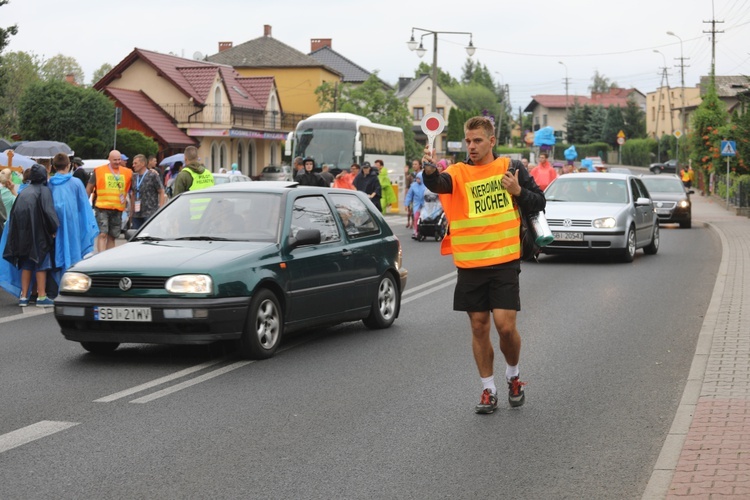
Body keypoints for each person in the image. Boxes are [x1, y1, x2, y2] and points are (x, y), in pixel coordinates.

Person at [422, 116, 546, 414]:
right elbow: (438, 183)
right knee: (479, 327)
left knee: (505, 328)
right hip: (470, 265)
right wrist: (428, 169)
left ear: (492, 141)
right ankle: (488, 389)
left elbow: (539, 202)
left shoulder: (511, 169)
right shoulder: (458, 172)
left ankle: (513, 376)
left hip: (504, 262)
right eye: (468, 141)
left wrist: (518, 191)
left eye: (478, 140)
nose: (472, 146)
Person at [0, 163, 59, 307]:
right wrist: (53, 229)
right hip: (39, 234)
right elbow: (49, 213)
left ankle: (24, 296)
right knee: (41, 264)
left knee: (26, 264)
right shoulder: (44, 191)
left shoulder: (24, 192)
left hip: (22, 235)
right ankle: (42, 296)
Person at [48, 153, 98, 283]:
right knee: (74, 250)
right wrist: (87, 226)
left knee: (58, 251)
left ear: (53, 166)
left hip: (55, 224)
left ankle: (58, 284)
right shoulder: (76, 183)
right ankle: (74, 282)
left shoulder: (50, 184)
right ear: (69, 165)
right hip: (73, 224)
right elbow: (84, 206)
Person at [87, 150, 132, 253]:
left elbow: (136, 180)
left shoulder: (127, 172)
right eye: (115, 160)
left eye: (119, 159)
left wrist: (152, 171)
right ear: (109, 159)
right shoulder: (99, 171)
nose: (117, 162)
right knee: (102, 234)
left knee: (112, 236)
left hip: (117, 209)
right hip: (102, 208)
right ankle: (100, 256)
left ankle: (108, 257)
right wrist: (85, 203)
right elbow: (89, 187)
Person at [129, 154, 166, 230]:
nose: (133, 165)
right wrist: (131, 211)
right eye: (133, 163)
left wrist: (161, 208)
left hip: (150, 212)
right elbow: (133, 193)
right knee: (135, 235)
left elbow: (161, 191)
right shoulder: (134, 177)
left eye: (135, 163)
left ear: (142, 164)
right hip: (137, 213)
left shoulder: (152, 175)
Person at [404, 171, 425, 239]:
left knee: (425, 218)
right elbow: (409, 195)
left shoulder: (426, 185)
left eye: (419, 178)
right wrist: (406, 204)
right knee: (416, 218)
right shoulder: (413, 186)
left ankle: (424, 231)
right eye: (417, 178)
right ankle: (416, 231)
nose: (417, 180)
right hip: (417, 204)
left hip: (425, 204)